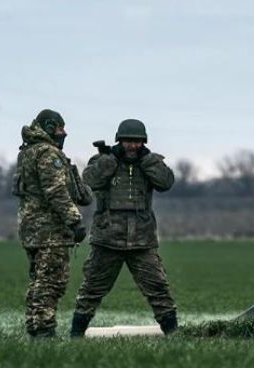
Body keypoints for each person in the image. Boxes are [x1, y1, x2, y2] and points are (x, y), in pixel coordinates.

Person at [69, 119, 177, 337]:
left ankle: (173, 333)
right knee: (92, 290)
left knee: (158, 289)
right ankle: (76, 335)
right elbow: (89, 181)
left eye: (137, 142)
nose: (133, 146)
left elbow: (166, 183)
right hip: (108, 238)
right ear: (120, 140)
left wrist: (148, 160)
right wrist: (111, 159)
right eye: (128, 141)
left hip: (142, 240)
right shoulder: (103, 161)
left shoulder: (150, 162)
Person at [14, 109, 91, 338]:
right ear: (48, 128)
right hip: (49, 231)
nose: (63, 133)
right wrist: (74, 221)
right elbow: (56, 191)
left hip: (31, 228)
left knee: (38, 281)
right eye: (59, 128)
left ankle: (35, 326)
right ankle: (44, 331)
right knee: (51, 282)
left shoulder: (28, 152)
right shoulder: (48, 154)